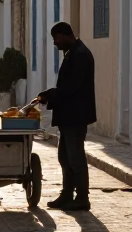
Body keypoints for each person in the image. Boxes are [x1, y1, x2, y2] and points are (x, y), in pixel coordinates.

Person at [37, 22, 96, 211]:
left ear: (66, 35)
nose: (55, 43)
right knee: (64, 156)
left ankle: (82, 197)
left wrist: (50, 95)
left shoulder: (80, 55)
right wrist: (50, 95)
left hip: (76, 115)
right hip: (68, 115)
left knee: (76, 157)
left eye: (57, 38)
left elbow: (71, 88)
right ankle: (67, 193)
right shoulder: (73, 53)